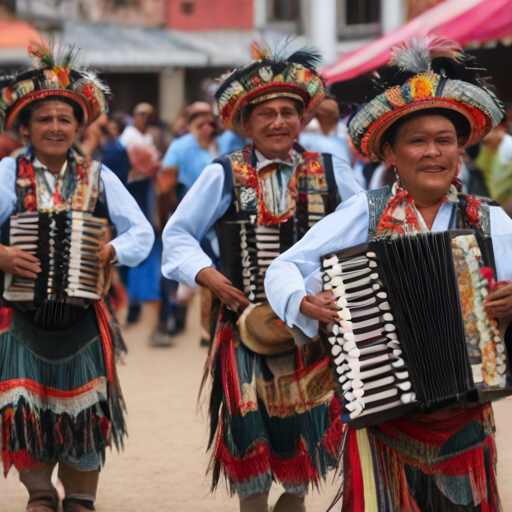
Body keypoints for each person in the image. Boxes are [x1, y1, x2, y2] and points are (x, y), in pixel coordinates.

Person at [265, 36, 508, 511]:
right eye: (417, 141)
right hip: (382, 404)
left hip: (467, 407)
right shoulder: (365, 211)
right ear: (392, 156)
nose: (433, 152)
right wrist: (303, 301)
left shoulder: (489, 219)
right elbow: (286, 266)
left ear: (461, 151)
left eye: (445, 141)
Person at [162, 45, 361, 512]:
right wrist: (206, 273)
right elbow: (177, 234)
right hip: (245, 324)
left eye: (288, 112)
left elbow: (364, 232)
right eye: (266, 114)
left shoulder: (332, 171)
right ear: (246, 124)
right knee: (248, 428)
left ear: (302, 120)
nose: (278, 122)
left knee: (310, 427)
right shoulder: (223, 174)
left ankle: (292, 503)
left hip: (314, 329)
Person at [0, 42, 154, 512]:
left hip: (85, 316)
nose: (55, 127)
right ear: (25, 128)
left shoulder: (99, 176)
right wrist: (2, 254)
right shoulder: (8, 172)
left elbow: (142, 233)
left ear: (78, 126)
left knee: (86, 412)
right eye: (44, 118)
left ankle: (81, 498)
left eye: (64, 118)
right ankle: (40, 495)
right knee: (24, 409)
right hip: (20, 317)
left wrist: (111, 250)